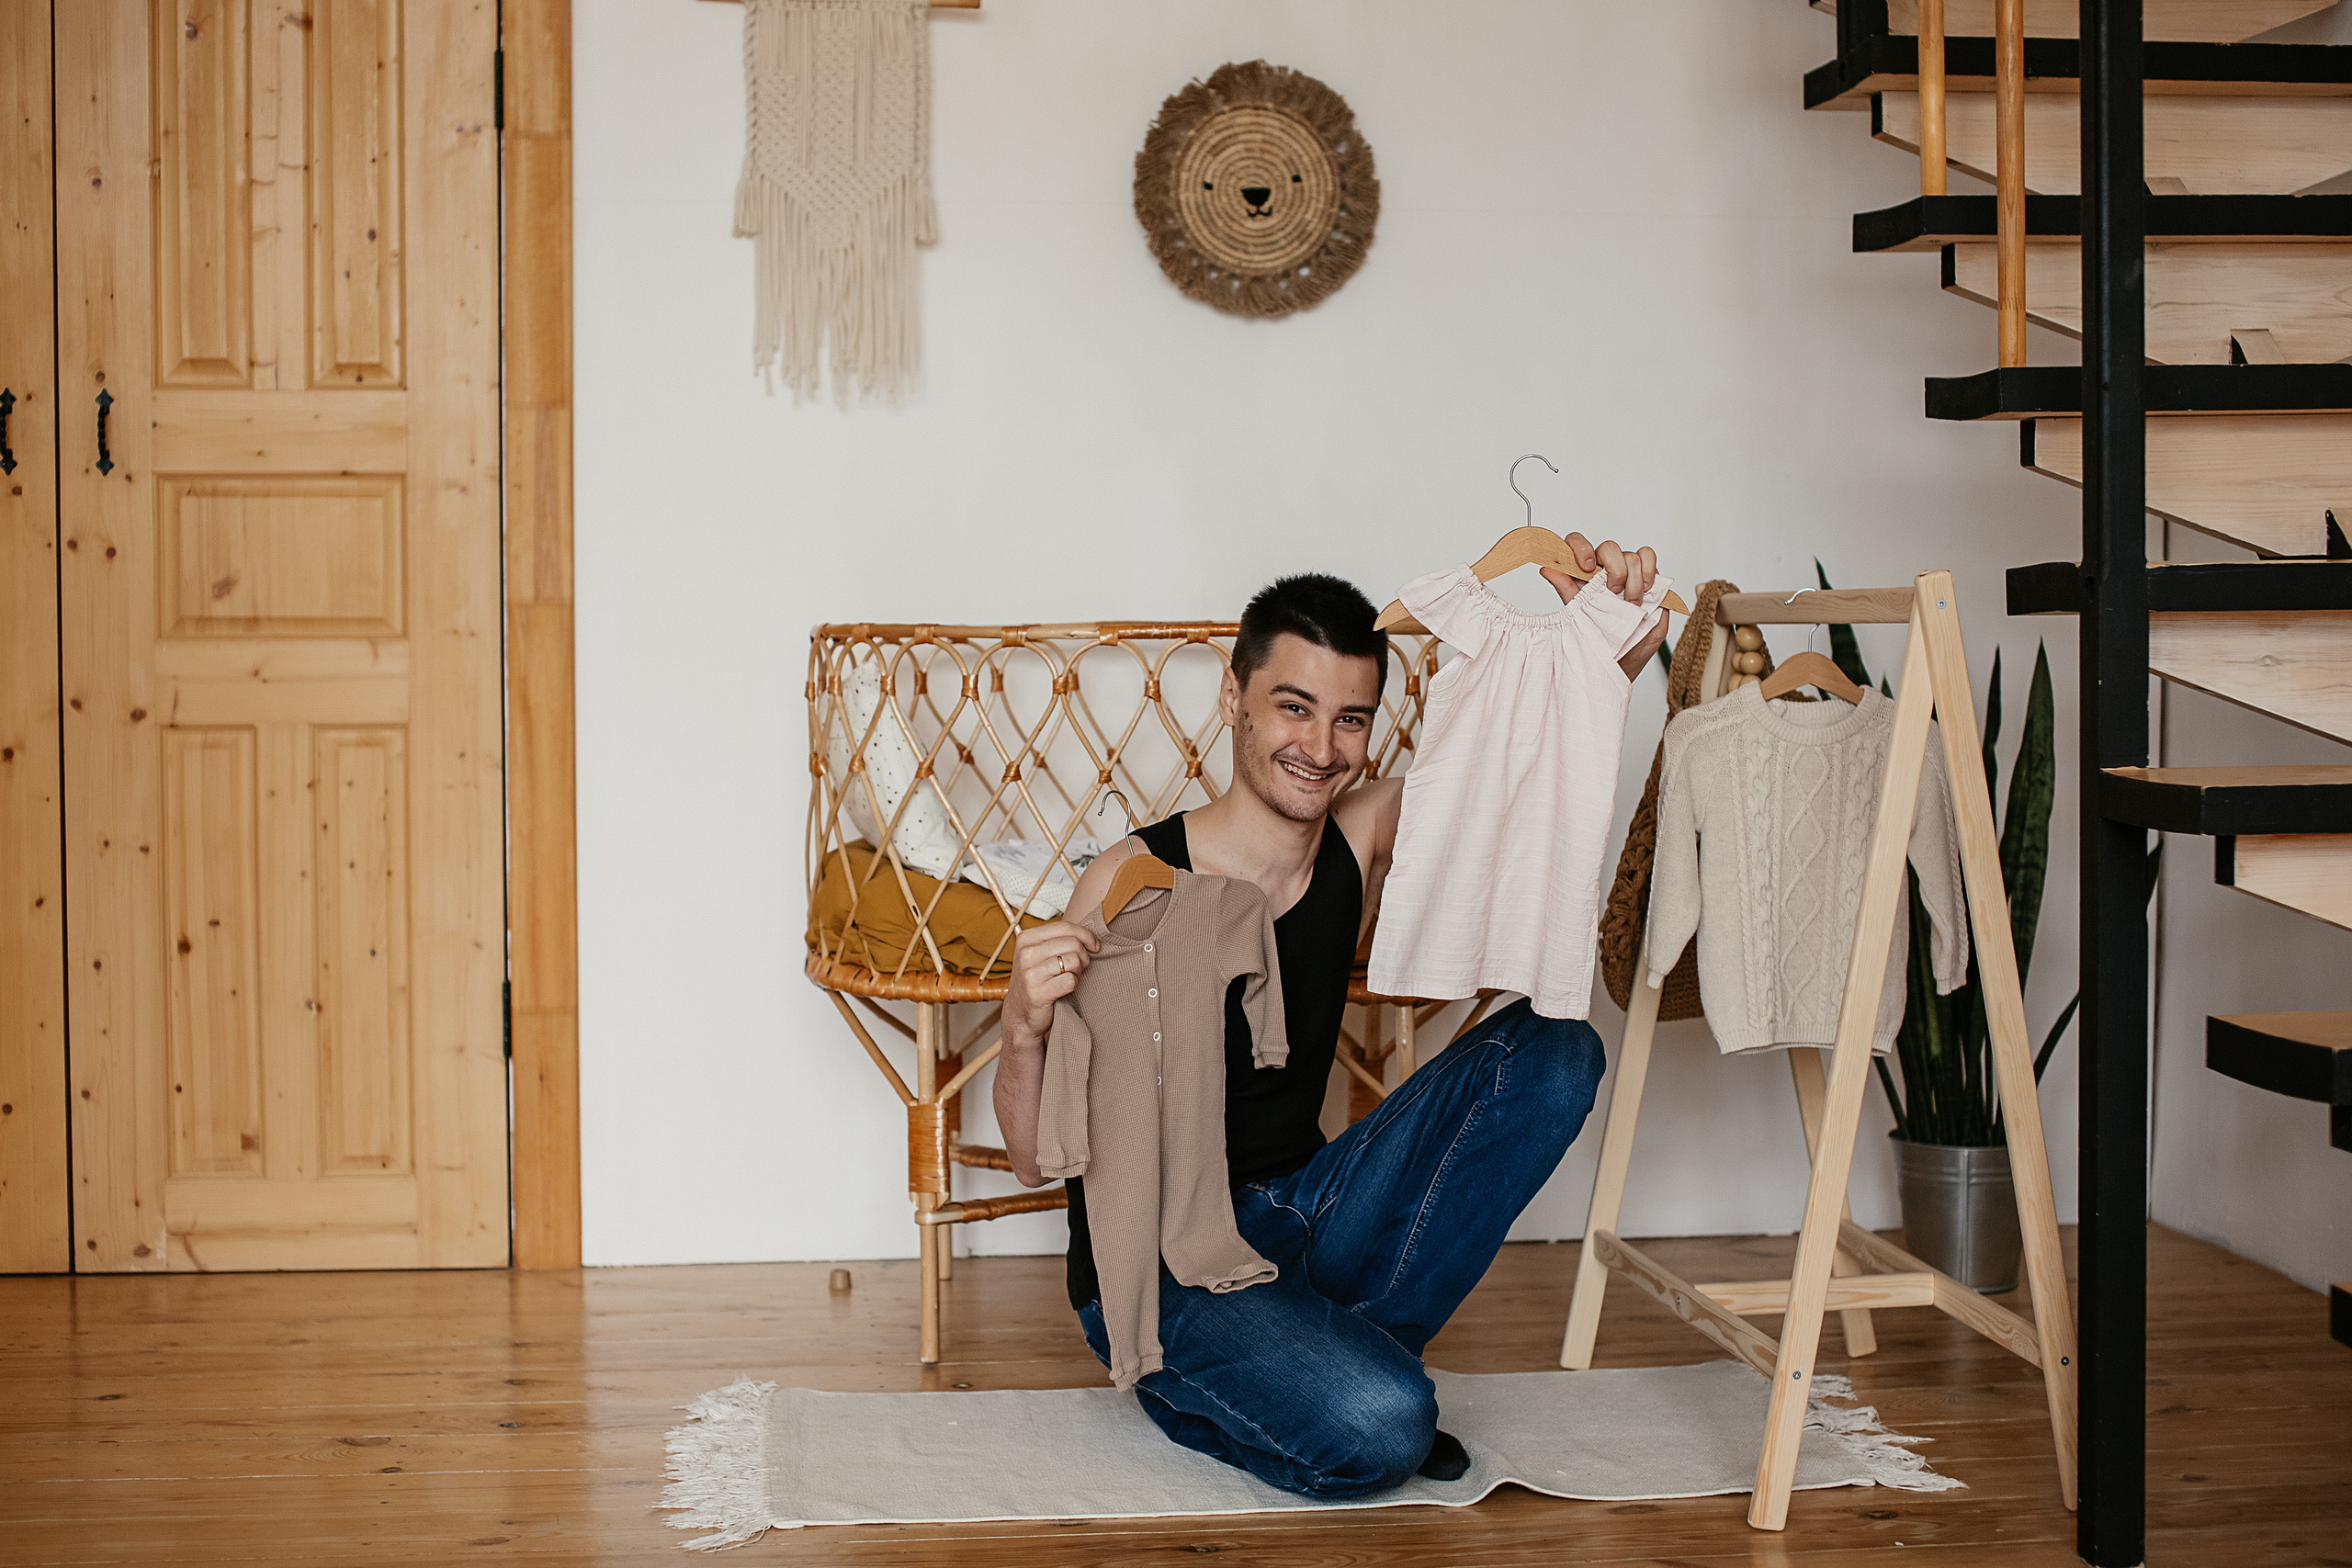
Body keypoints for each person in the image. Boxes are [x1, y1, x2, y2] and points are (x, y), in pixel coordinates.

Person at [992, 537, 1668, 1498]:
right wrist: (1022, 1028)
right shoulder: (1134, 881)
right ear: (1234, 701)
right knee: (1387, 1427)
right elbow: (1030, 1160)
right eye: (1294, 708)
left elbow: (1516, 779)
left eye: (1349, 720)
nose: (1320, 748)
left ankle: (1336, 1345)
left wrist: (1598, 659)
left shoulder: (1364, 831)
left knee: (1557, 1050)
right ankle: (1200, 1381)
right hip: (1159, 1262)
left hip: (1302, 1207)